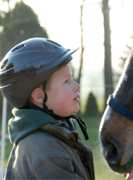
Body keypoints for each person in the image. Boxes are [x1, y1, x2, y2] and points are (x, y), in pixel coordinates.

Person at [0, 37, 95, 180]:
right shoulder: (47, 154)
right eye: (66, 81)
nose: (77, 86)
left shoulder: (58, 134)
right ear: (39, 95)